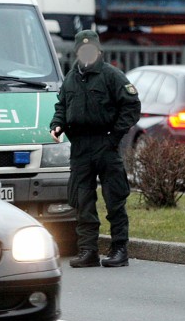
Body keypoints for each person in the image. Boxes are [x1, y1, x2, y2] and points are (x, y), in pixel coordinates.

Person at [50, 30, 141, 268]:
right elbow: (62, 105)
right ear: (78, 52)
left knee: (114, 199)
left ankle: (119, 249)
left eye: (91, 50)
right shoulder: (71, 77)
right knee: (82, 201)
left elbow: (131, 107)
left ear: (99, 52)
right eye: (82, 50)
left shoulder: (112, 76)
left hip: (105, 145)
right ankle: (88, 250)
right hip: (80, 147)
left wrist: (114, 136)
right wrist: (57, 125)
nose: (86, 54)